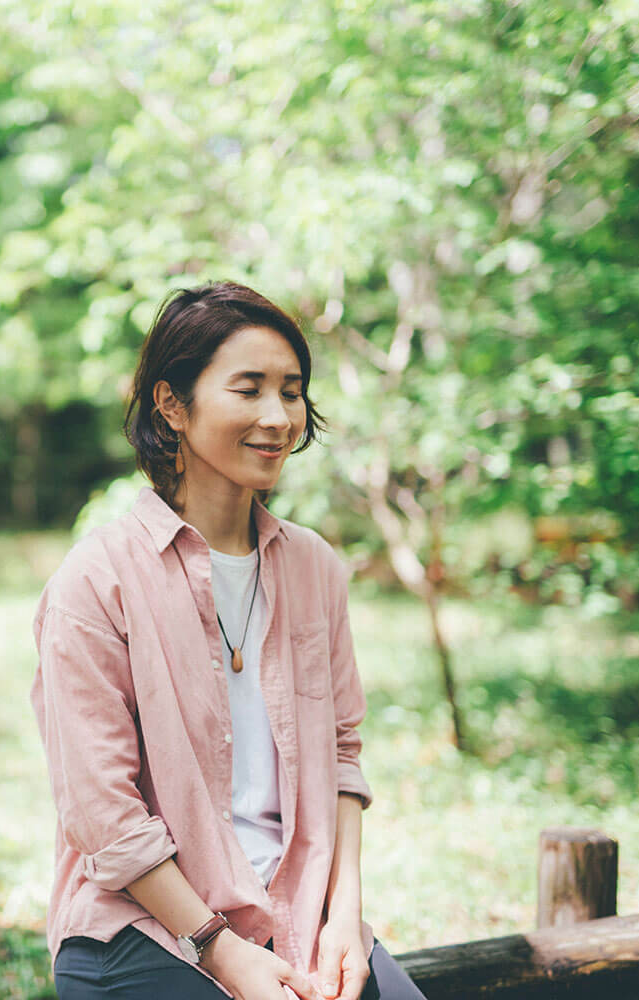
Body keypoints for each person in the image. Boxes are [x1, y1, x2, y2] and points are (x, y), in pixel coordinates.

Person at [31, 282, 429, 1000]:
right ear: (173, 406)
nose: (278, 418)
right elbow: (103, 816)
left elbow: (342, 757)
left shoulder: (313, 568)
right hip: (144, 926)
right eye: (249, 390)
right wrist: (219, 950)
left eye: (292, 391)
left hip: (300, 915)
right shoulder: (96, 581)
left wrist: (347, 920)